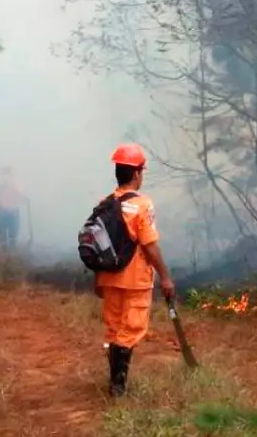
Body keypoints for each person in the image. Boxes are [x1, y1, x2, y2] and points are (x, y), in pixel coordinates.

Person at [96, 143, 175, 397]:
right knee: (129, 331)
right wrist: (165, 276)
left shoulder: (105, 203)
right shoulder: (142, 205)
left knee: (114, 330)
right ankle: (118, 386)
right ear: (138, 173)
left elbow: (99, 244)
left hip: (109, 278)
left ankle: (114, 382)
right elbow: (150, 247)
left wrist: (98, 278)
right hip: (135, 281)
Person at [0, 166, 27, 252]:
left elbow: (20, 194)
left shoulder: (13, 183)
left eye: (7, 173)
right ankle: (6, 247)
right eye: (5, 173)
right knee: (6, 229)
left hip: (8, 210)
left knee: (10, 230)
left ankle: (9, 246)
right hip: (5, 210)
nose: (6, 175)